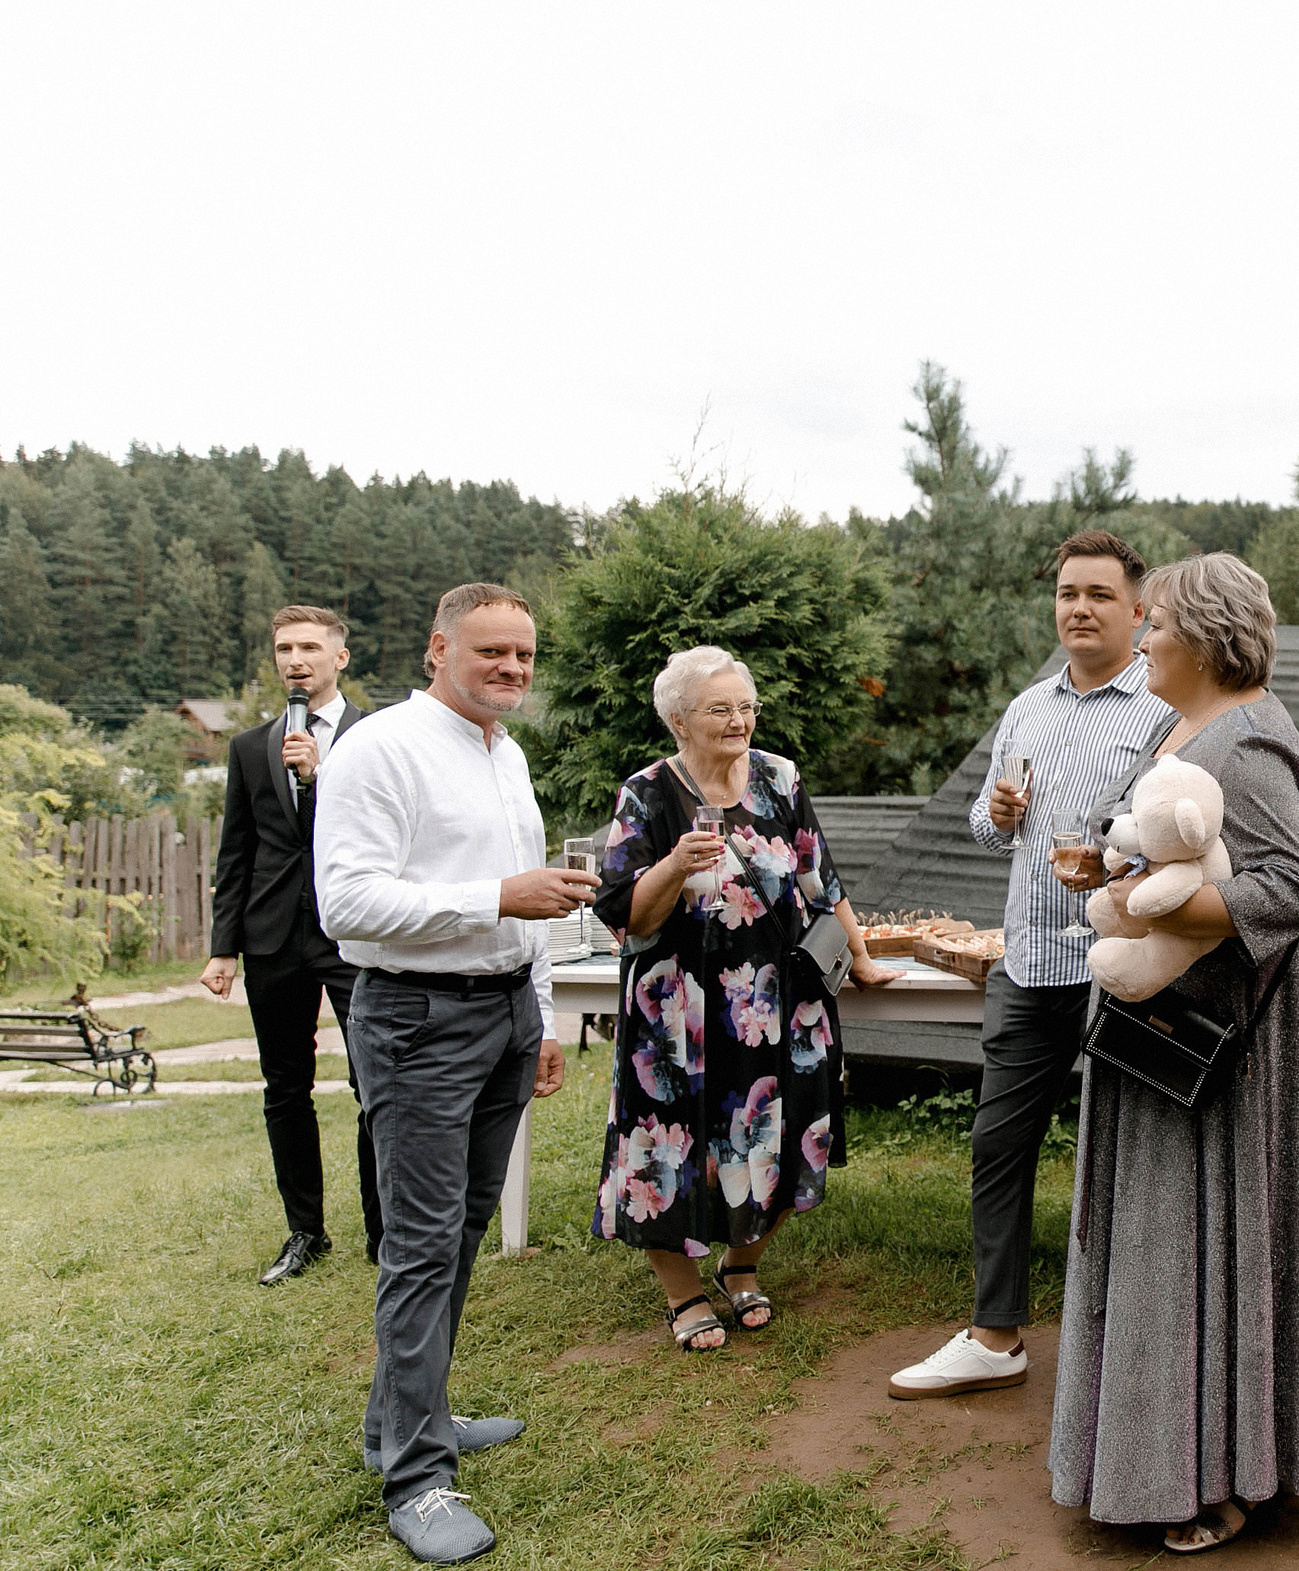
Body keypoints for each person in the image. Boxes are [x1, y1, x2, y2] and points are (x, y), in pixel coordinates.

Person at [1046, 552, 1299, 1555]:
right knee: (1158, 1243)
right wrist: (1117, 865)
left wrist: (1146, 901)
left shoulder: (1253, 738)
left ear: (1210, 635)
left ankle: (1221, 1473)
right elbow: (1182, 850)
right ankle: (1156, 1454)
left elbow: (1288, 893)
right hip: (1165, 1030)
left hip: (1231, 1049)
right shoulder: (1181, 727)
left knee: (1201, 1246)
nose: (1143, 640)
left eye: (1158, 624)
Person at [314, 583, 587, 1565]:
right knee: (422, 1245)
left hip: (505, 1011)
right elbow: (345, 903)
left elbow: (535, 900)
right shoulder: (379, 750)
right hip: (416, 1020)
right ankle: (418, 1479)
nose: (513, 670)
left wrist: (543, 1015)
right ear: (438, 649)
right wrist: (494, 897)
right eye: (492, 654)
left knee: (459, 1231)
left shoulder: (503, 752)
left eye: (523, 654)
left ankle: (403, 1419)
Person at [887, 530, 1171, 1401]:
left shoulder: (1164, 708)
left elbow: (1181, 841)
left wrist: (1114, 863)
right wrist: (1003, 812)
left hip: (1124, 966)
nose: (1077, 608)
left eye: (1096, 594)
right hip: (1029, 958)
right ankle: (996, 1334)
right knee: (999, 1142)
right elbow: (983, 823)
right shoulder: (1028, 706)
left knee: (1132, 1154)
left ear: (1136, 611)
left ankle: (1137, 1337)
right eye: (1065, 594)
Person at [591, 646, 899, 1352]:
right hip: (678, 1010)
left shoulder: (779, 777)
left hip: (778, 1000)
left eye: (746, 706)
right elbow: (627, 913)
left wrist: (861, 956)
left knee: (790, 1129)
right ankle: (682, 1293)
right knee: (663, 1145)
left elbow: (822, 875)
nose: (738, 720)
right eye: (719, 708)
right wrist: (673, 863)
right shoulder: (648, 791)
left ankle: (743, 1262)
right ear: (678, 719)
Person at [204, 605, 378, 1285]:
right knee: (284, 1086)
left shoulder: (379, 736)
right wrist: (224, 946)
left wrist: (322, 771)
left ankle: (385, 1230)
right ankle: (305, 1230)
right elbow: (235, 852)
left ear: (340, 655)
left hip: (355, 933)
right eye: (284, 647)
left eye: (309, 645)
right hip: (273, 933)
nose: (295, 659)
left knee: (374, 1082)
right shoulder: (251, 746)